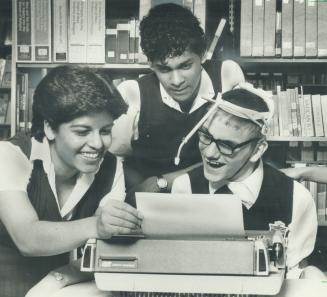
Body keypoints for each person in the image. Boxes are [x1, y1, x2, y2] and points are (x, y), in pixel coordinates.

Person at [0, 65, 143, 297]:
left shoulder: (111, 167)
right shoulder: (10, 155)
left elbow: (105, 254)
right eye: (82, 131)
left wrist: (56, 280)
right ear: (49, 127)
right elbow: (28, 238)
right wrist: (97, 226)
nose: (97, 144)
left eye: (105, 130)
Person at [171, 80, 318, 279]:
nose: (210, 153)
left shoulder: (297, 199)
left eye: (227, 145)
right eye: (206, 136)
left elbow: (291, 274)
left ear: (257, 149)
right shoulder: (184, 188)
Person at [110, 3, 220, 193]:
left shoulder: (226, 78)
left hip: (207, 195)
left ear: (202, 55)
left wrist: (164, 181)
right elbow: (114, 162)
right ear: (151, 65)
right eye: (164, 69)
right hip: (149, 203)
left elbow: (238, 157)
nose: (176, 81)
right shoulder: (132, 94)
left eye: (185, 66)